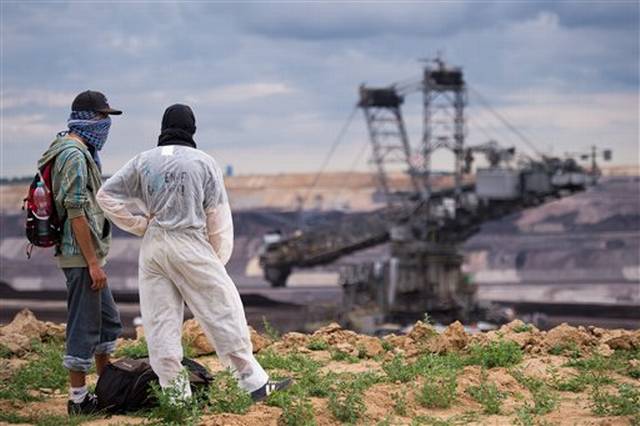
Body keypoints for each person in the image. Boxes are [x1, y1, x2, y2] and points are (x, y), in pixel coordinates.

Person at [96, 104, 291, 402]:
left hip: (153, 247)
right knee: (223, 311)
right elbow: (218, 216)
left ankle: (177, 398)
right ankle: (253, 384)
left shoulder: (142, 161)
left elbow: (105, 195)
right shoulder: (203, 162)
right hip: (189, 242)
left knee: (160, 322)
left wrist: (138, 225)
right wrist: (216, 259)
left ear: (163, 129)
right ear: (192, 129)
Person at [37, 90, 124, 414]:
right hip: (80, 257)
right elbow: (75, 211)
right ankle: (78, 401)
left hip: (88, 257)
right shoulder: (73, 155)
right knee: (84, 325)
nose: (105, 124)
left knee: (107, 321)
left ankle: (106, 388)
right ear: (88, 119)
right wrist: (92, 264)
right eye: (102, 117)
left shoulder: (78, 150)